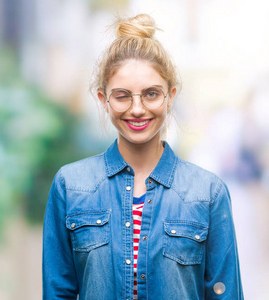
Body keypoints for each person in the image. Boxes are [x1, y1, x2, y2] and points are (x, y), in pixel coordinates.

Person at [42, 14, 243, 300]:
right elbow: (57, 292)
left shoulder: (208, 193)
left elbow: (226, 293)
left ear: (170, 96)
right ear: (103, 99)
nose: (137, 109)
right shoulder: (71, 185)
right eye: (123, 95)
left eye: (151, 94)